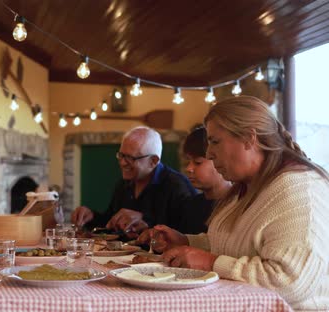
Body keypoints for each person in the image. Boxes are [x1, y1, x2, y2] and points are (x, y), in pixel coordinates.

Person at [139, 96, 329, 310]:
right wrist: (187, 243)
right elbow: (235, 245)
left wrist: (210, 263)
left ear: (249, 138)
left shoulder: (299, 190)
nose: (209, 153)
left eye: (215, 141)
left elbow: (289, 281)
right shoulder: (247, 186)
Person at [71, 126, 196, 237]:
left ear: (153, 161)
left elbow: (187, 234)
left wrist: (146, 221)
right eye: (121, 155)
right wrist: (91, 216)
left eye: (130, 158)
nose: (122, 162)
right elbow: (110, 222)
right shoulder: (124, 184)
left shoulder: (177, 186)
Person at [175, 126, 232, 234]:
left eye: (197, 162)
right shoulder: (192, 205)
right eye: (188, 162)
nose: (189, 168)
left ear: (220, 161)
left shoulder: (235, 205)